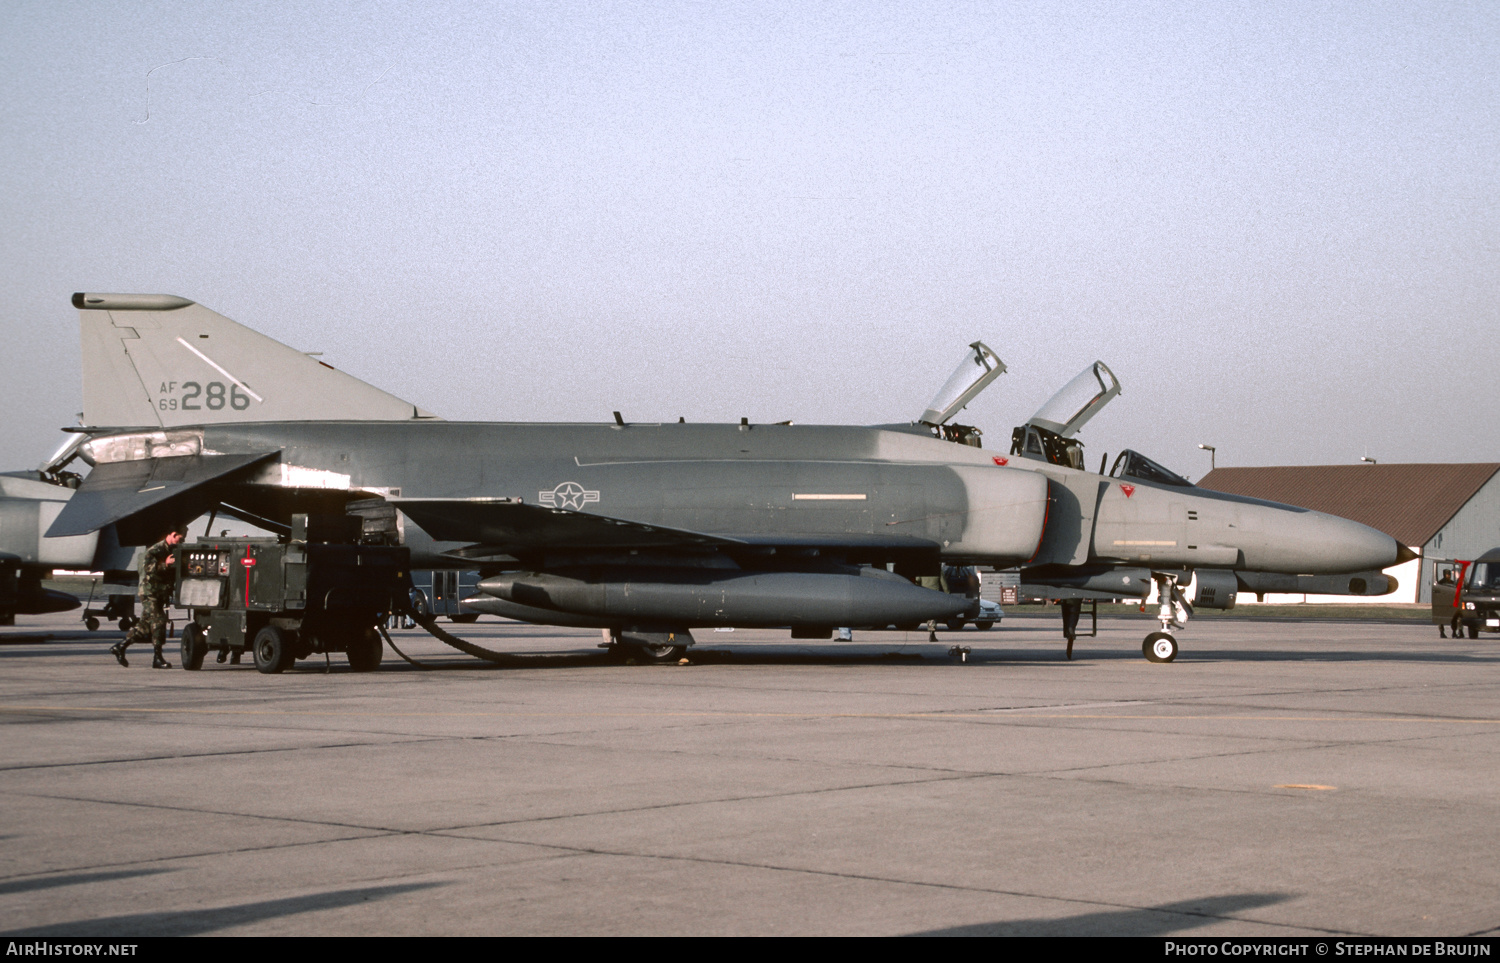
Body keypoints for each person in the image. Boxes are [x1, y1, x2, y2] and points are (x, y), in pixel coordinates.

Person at [110, 529, 183, 669]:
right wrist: (165, 564)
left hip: (159, 592)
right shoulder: (155, 550)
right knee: (159, 620)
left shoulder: (171, 550)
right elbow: (145, 568)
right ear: (173, 534)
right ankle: (157, 658)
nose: (182, 541)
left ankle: (120, 647)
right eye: (180, 538)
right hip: (150, 592)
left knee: (144, 626)